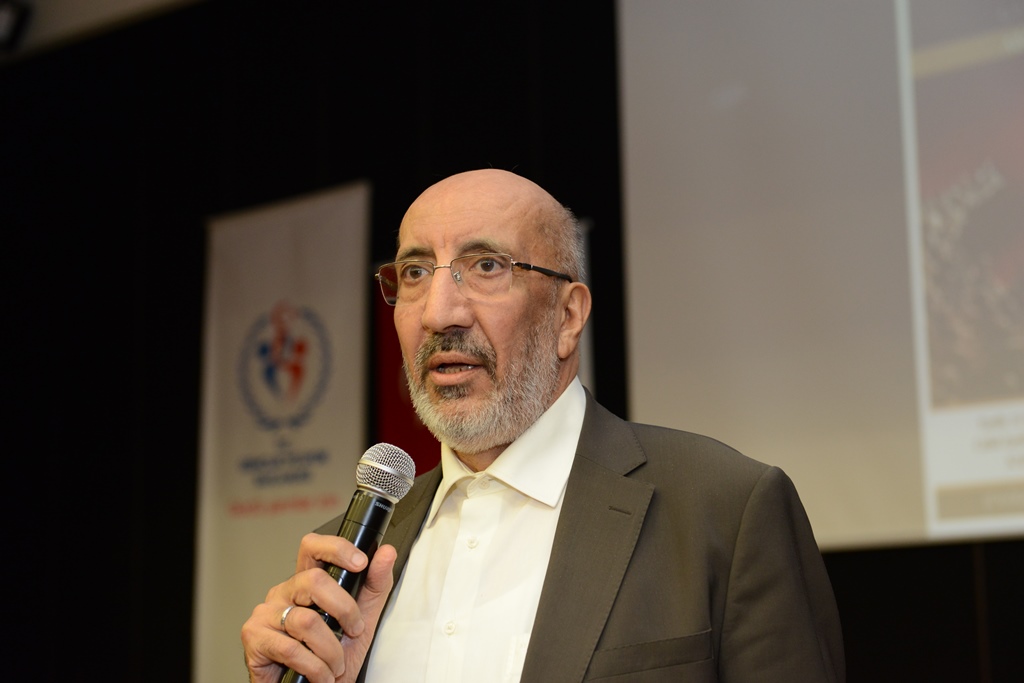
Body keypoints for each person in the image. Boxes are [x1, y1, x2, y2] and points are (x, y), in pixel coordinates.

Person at [241, 169, 846, 683]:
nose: (438, 313)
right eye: (417, 273)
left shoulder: (724, 511)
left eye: (485, 266)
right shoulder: (349, 563)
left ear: (568, 315)